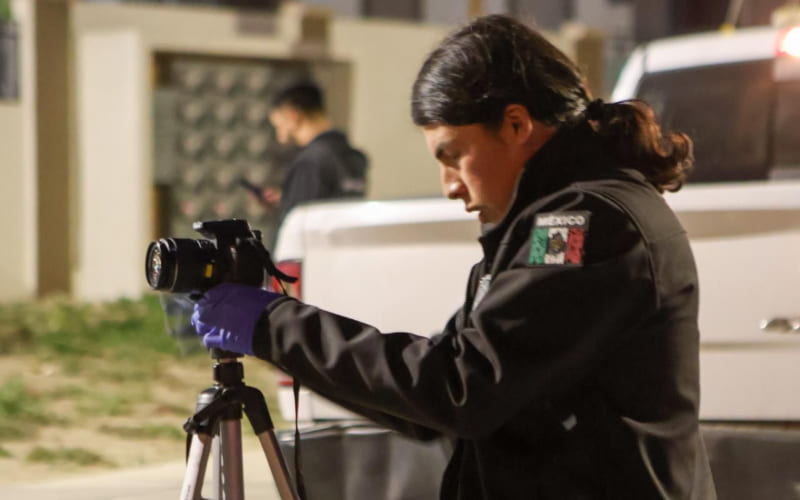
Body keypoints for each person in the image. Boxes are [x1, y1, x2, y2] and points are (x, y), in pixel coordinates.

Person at [192, 15, 716, 499]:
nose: (448, 186)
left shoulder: (582, 224)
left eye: (453, 156)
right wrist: (276, 334)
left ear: (515, 125)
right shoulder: (548, 218)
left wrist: (275, 325)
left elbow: (462, 388)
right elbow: (435, 408)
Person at [252, 80, 368, 223]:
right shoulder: (355, 157)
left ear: (293, 115)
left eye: (279, 126)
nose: (279, 137)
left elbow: (299, 226)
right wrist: (286, 199)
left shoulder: (311, 161)